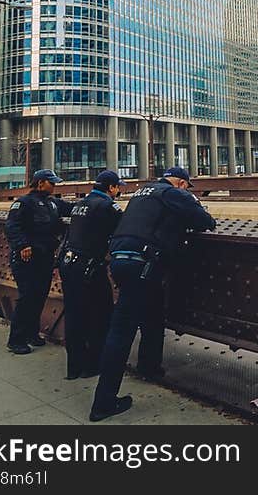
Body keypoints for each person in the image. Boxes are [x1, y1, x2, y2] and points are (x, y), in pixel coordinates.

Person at [89, 166, 216, 422]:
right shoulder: (172, 193)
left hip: (120, 259)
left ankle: (149, 366)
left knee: (153, 315)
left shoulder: (140, 193)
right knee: (122, 331)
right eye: (185, 186)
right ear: (181, 183)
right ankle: (102, 403)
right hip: (143, 264)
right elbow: (204, 220)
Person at [58, 169, 123, 381]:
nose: (118, 191)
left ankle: (73, 367)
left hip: (69, 263)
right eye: (117, 187)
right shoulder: (107, 206)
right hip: (89, 268)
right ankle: (93, 364)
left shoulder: (80, 204)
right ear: (111, 187)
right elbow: (123, 227)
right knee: (100, 315)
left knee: (75, 316)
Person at [4, 169, 73, 355]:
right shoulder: (23, 203)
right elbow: (12, 226)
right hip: (26, 258)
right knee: (27, 297)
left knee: (39, 296)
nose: (54, 186)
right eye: (52, 183)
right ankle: (16, 339)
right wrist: (22, 245)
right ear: (41, 182)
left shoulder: (52, 203)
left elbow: (73, 207)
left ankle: (32, 334)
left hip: (44, 257)